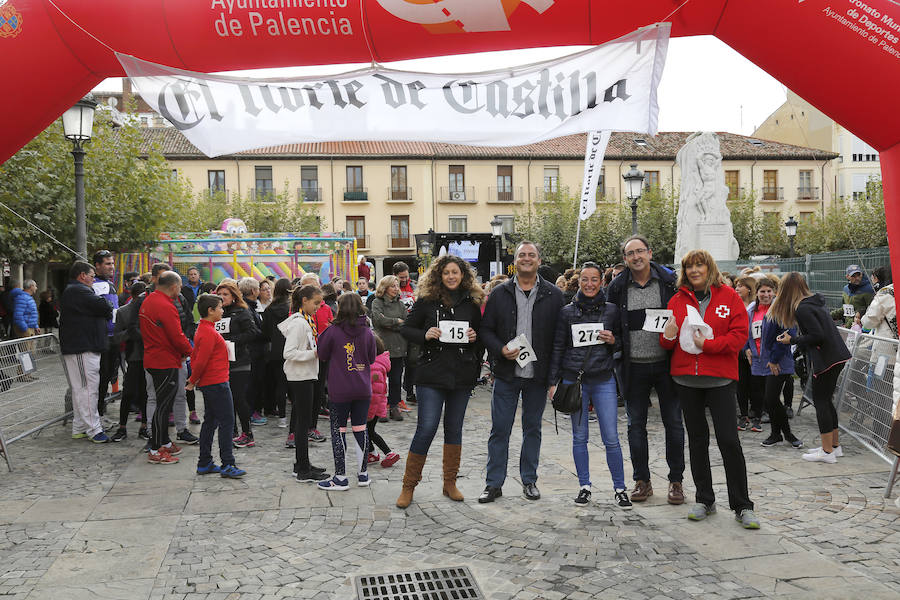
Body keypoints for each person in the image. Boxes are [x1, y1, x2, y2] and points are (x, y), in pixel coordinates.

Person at [660, 249, 759, 529]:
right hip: (686, 380)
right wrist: (667, 338)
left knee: (728, 440)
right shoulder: (677, 299)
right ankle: (704, 498)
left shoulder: (729, 297)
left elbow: (739, 337)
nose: (694, 270)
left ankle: (742, 505)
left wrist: (709, 346)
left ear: (709, 268)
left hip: (720, 380)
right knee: (697, 440)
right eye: (689, 266)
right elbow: (668, 340)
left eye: (699, 265)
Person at [478, 241, 564, 503]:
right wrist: (500, 350)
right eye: (522, 255)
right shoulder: (500, 294)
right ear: (515, 261)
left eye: (532, 255)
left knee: (532, 429)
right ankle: (494, 484)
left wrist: (554, 377)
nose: (527, 259)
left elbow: (560, 338)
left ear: (538, 260)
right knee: (500, 430)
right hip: (507, 374)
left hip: (537, 376)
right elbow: (486, 331)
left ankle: (529, 480)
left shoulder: (554, 295)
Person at [396, 255, 484, 507]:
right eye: (447, 273)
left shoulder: (472, 303)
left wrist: (474, 336)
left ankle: (449, 483)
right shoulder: (426, 301)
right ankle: (408, 486)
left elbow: (480, 337)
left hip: (462, 375)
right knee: (427, 427)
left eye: (455, 272)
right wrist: (425, 334)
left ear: (463, 275)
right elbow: (406, 329)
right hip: (431, 374)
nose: (451, 277)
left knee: (454, 428)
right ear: (439, 275)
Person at [605, 235, 684, 505]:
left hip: (666, 364)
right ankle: (642, 480)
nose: (636, 257)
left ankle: (676, 481)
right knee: (635, 425)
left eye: (640, 251)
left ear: (650, 253)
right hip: (632, 366)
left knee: (673, 423)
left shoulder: (669, 282)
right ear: (625, 259)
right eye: (630, 253)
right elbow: (611, 321)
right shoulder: (617, 286)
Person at [549, 262, 631, 508]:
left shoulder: (612, 311)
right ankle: (584, 486)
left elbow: (621, 346)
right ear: (579, 282)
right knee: (579, 437)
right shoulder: (566, 312)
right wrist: (552, 382)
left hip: (603, 379)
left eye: (594, 279)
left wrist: (613, 340)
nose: (590, 284)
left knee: (611, 438)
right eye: (585, 279)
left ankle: (620, 488)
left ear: (600, 281)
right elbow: (557, 348)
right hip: (574, 380)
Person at [772, 272, 852, 463]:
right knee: (826, 401)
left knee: (821, 402)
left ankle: (827, 452)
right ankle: (833, 446)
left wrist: (793, 340)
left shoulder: (802, 308)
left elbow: (817, 336)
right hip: (836, 356)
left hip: (827, 358)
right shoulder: (813, 302)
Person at [315, 293, 377, 490]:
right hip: (362, 388)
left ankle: (340, 477)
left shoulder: (332, 331)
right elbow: (372, 358)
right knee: (361, 428)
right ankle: (363, 474)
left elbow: (322, 354)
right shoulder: (367, 331)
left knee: (338, 430)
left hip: (340, 389)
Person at [187, 293, 247, 478]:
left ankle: (205, 462)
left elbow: (197, 356)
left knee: (211, 421)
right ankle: (227, 463)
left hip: (214, 381)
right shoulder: (207, 332)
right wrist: (192, 381)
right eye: (220, 307)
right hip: (216, 382)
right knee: (227, 422)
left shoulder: (205, 329)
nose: (222, 310)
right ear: (210, 310)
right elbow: (200, 360)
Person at [140, 271, 194, 463]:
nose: (180, 290)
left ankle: (162, 440)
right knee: (163, 407)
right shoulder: (165, 305)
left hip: (155, 357)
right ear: (173, 286)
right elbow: (177, 335)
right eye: (179, 286)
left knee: (163, 404)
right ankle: (155, 449)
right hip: (165, 360)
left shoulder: (149, 300)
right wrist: (191, 352)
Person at [279, 284, 330, 483]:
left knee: (303, 422)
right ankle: (302, 468)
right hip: (300, 377)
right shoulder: (300, 323)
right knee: (302, 424)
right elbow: (288, 353)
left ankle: (303, 464)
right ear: (304, 301)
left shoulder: (306, 320)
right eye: (316, 303)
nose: (319, 306)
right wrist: (314, 353)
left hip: (306, 374)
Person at [744, 278, 802, 449]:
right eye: (762, 291)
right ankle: (776, 434)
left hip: (778, 361)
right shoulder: (751, 311)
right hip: (759, 360)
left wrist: (774, 360)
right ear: (756, 293)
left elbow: (786, 336)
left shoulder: (781, 310)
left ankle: (788, 434)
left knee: (771, 398)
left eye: (769, 291)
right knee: (770, 400)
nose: (766, 294)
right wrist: (746, 348)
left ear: (775, 292)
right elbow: (746, 332)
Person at [59, 261, 113, 443]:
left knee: (81, 389)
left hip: (81, 346)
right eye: (91, 275)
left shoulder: (74, 291)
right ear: (82, 276)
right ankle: (93, 429)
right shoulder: (78, 291)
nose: (93, 279)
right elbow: (105, 307)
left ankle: (80, 427)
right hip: (82, 347)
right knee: (88, 389)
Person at [216, 280, 261, 448]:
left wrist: (231, 342)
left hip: (240, 361)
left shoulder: (242, 311)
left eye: (225, 294)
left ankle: (247, 433)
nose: (222, 297)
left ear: (234, 296)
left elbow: (253, 332)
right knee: (226, 399)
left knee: (238, 398)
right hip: (222, 362)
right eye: (219, 294)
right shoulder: (217, 312)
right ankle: (232, 431)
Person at [110, 281, 149, 442]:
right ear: (133, 296)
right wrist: (132, 332)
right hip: (133, 357)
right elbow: (116, 337)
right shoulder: (123, 312)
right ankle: (122, 427)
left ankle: (145, 427)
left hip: (149, 356)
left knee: (146, 393)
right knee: (128, 393)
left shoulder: (150, 309)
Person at [370, 275, 408, 422]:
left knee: (396, 379)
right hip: (383, 347)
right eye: (393, 286)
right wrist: (396, 321)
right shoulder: (377, 302)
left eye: (397, 286)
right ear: (385, 287)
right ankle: (381, 407)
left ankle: (394, 406)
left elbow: (406, 323)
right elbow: (378, 321)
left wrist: (391, 323)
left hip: (399, 346)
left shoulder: (400, 304)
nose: (396, 288)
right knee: (380, 380)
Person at [92, 250, 120, 417]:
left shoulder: (109, 283)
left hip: (112, 337)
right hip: (102, 338)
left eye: (112, 263)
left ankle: (100, 408)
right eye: (107, 264)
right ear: (97, 265)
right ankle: (97, 412)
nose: (112, 267)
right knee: (101, 377)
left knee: (108, 375)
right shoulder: (96, 284)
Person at [262, 278, 292, 430]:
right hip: (292, 349)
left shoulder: (269, 309)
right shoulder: (291, 309)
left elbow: (265, 332)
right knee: (293, 384)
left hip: (275, 351)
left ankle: (282, 418)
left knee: (280, 385)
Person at [367, 335, 401, 467]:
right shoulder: (379, 363)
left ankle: (387, 453)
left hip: (372, 407)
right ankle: (372, 453)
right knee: (368, 431)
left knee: (368, 432)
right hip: (376, 406)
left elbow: (375, 393)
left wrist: (369, 414)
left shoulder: (374, 367)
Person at [734, 275, 758, 430]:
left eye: (740, 286)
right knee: (741, 384)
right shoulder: (734, 304)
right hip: (739, 350)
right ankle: (743, 414)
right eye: (736, 285)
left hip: (754, 351)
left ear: (749, 289)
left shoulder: (756, 307)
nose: (736, 288)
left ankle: (756, 413)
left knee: (755, 384)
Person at [394, 261, 419, 406]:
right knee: (398, 363)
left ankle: (409, 390)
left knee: (412, 361)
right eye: (401, 277)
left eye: (405, 277)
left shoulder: (414, 286)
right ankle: (395, 396)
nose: (404, 280)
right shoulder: (391, 287)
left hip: (413, 327)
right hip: (397, 329)